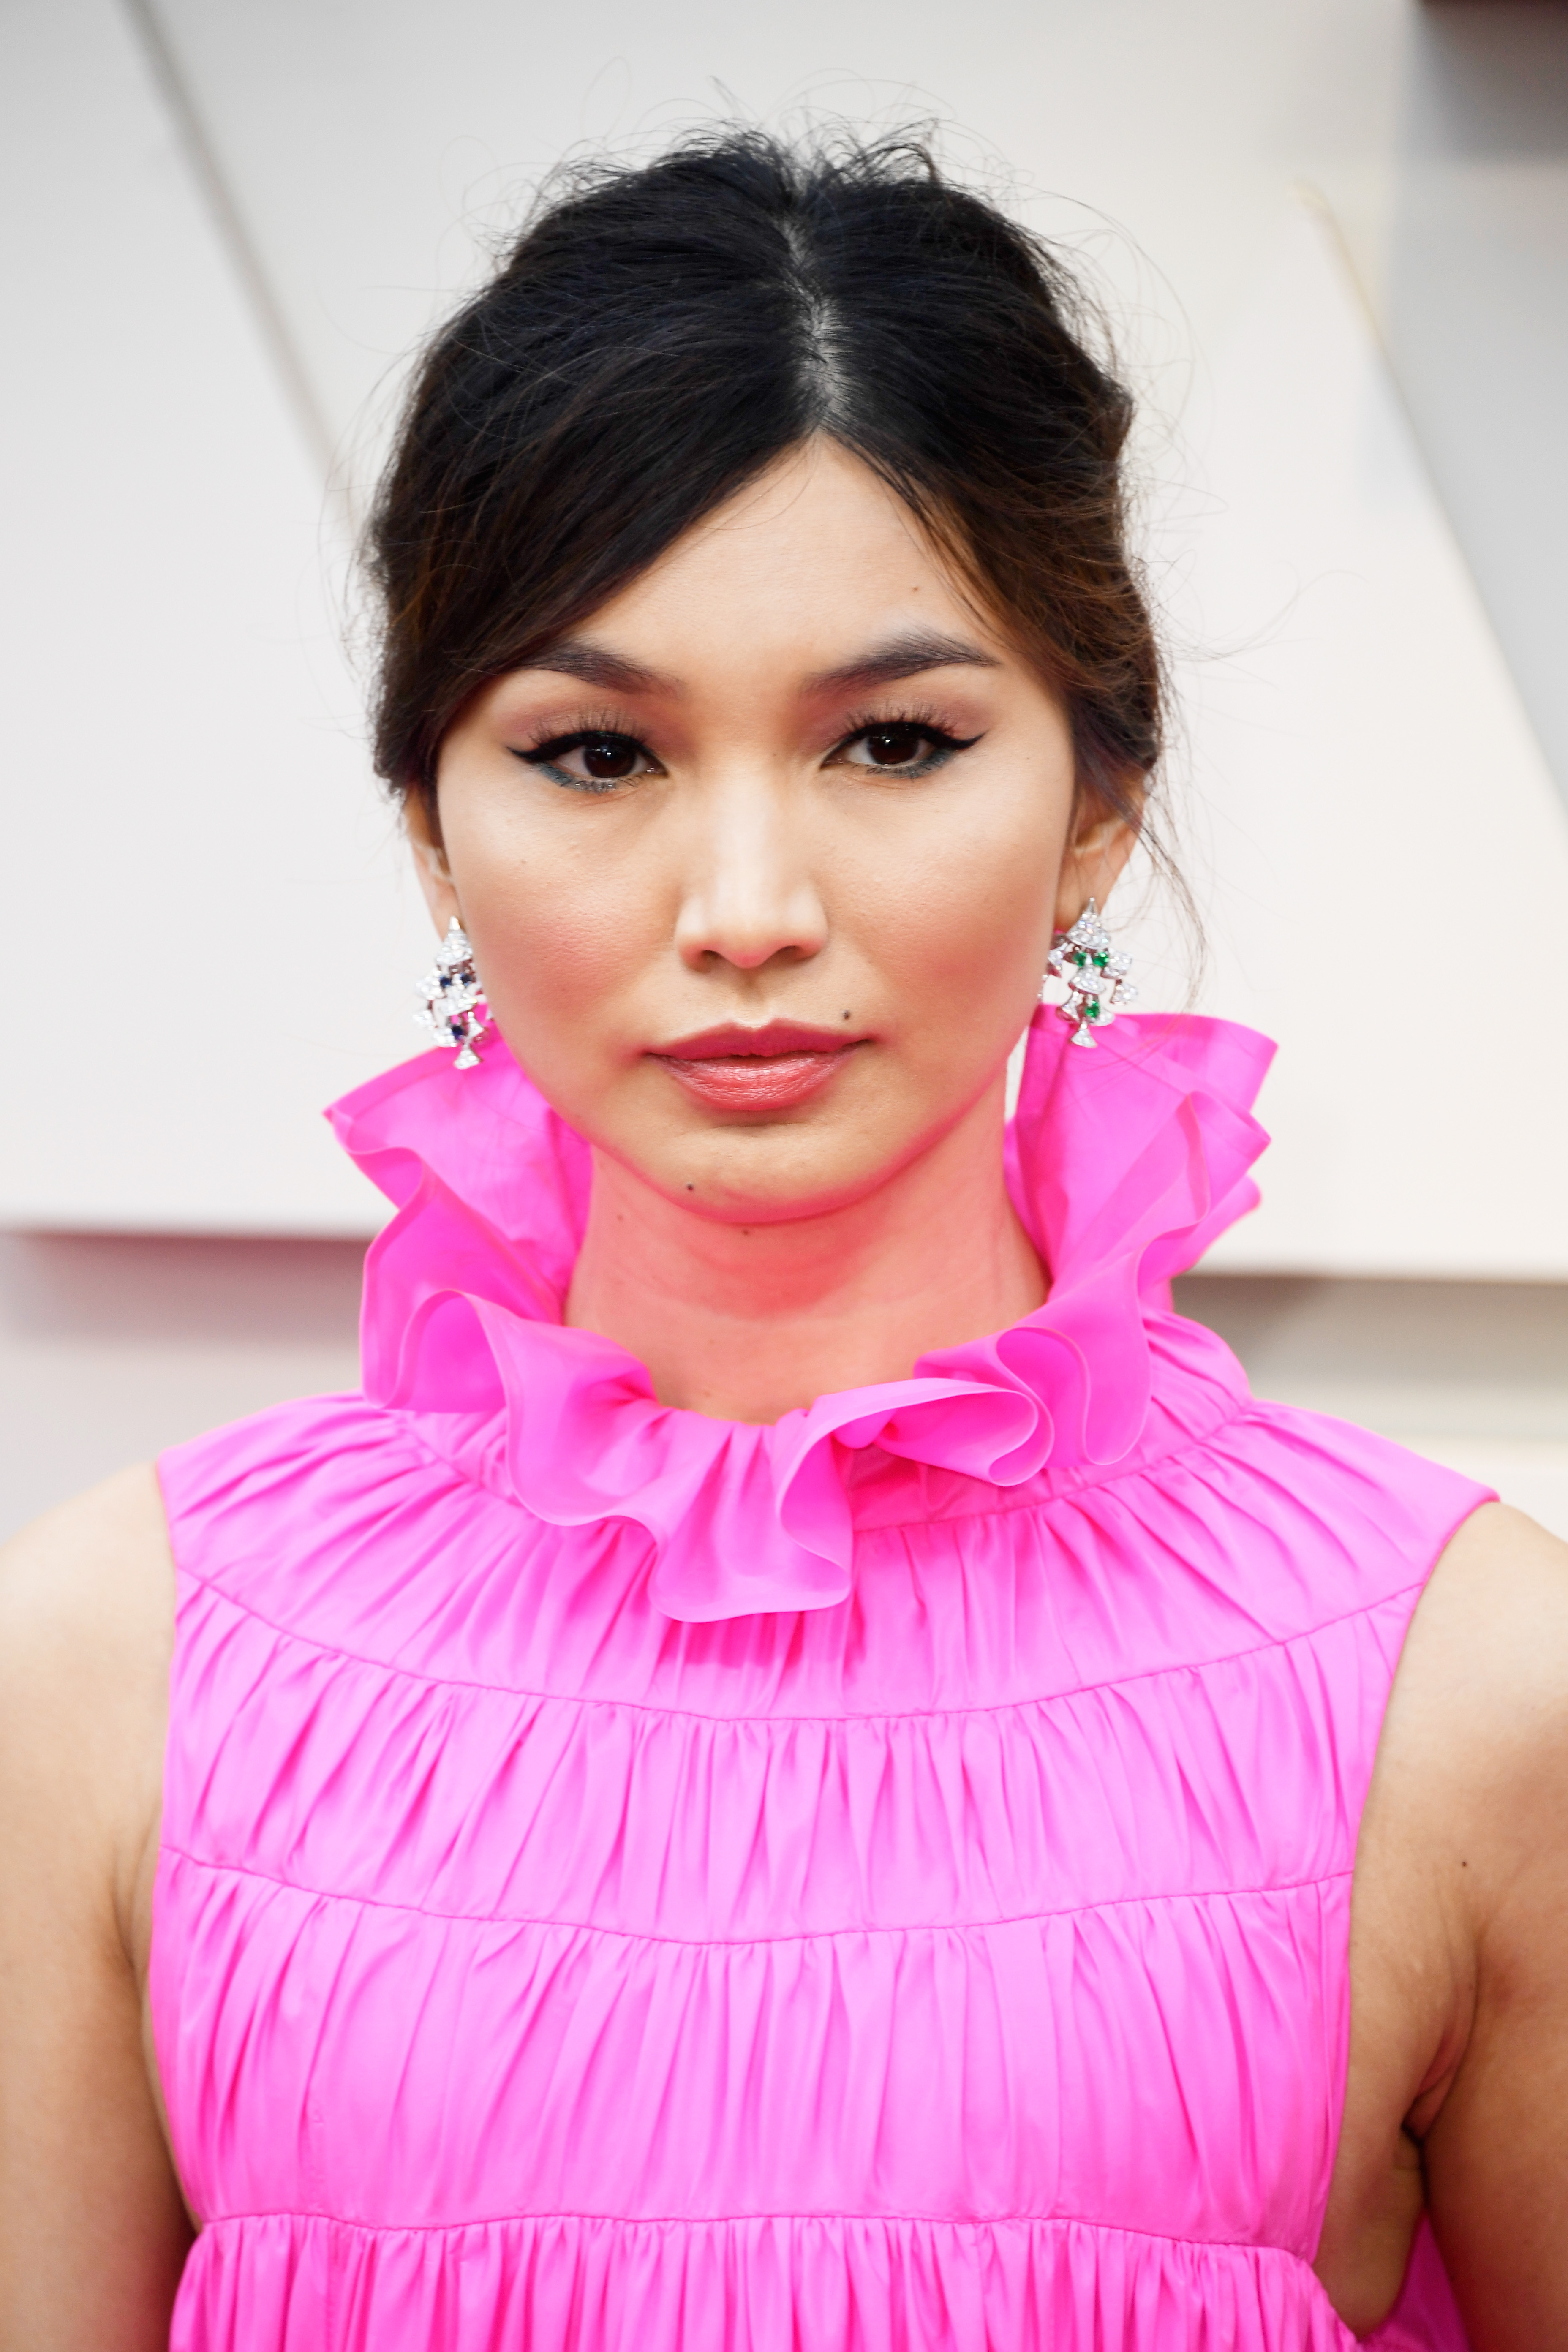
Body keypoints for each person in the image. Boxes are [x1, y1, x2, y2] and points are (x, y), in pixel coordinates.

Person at [2, 128, 1565, 2352]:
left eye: (894, 741)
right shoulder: (107, 1672)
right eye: (596, 755)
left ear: (1099, 809)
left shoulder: (1476, 1692)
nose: (746, 910)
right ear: (433, 832)